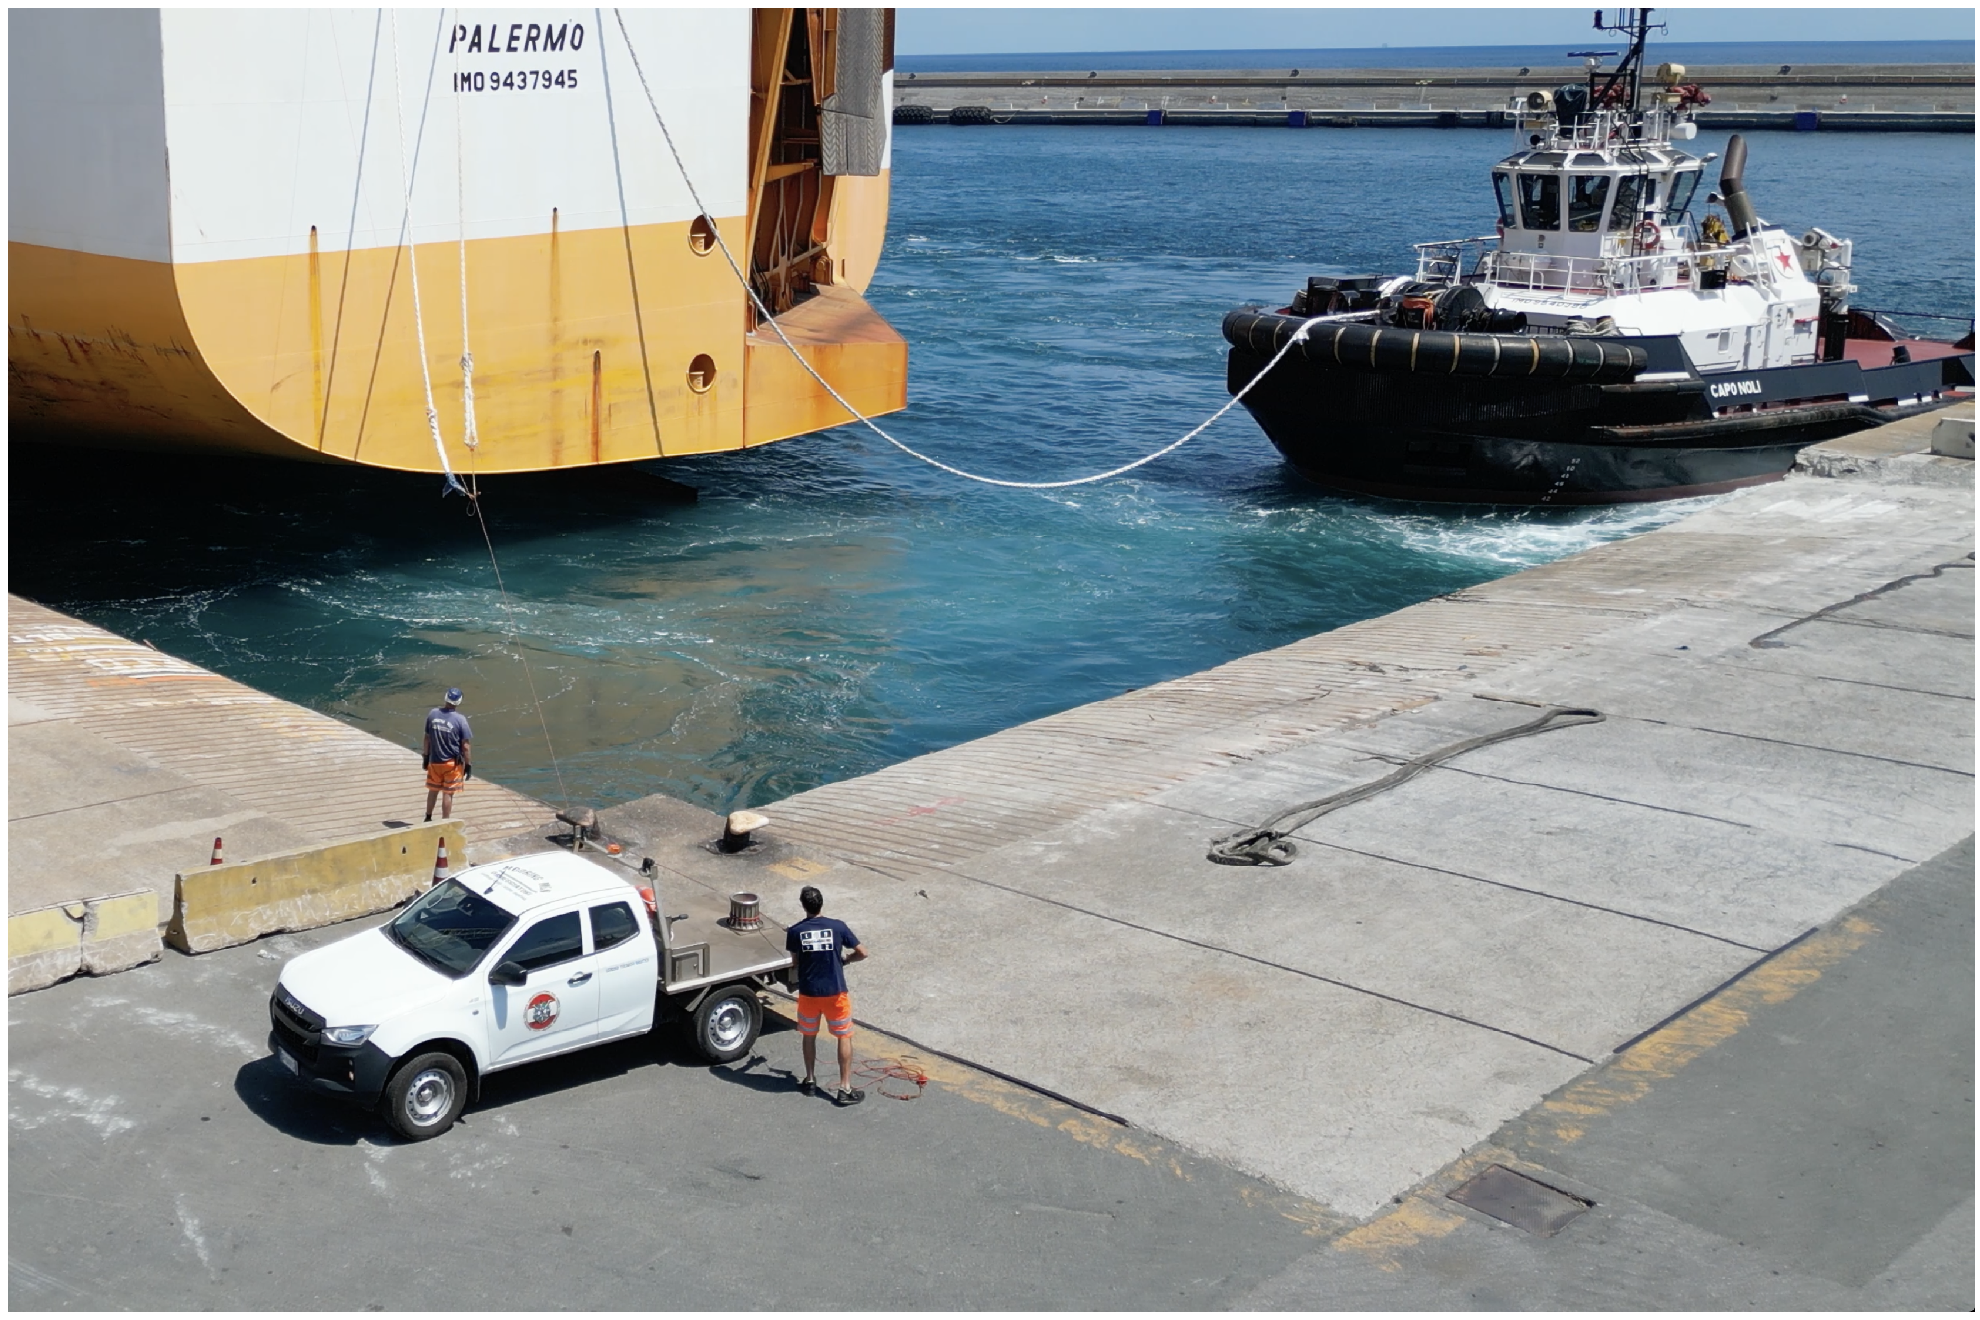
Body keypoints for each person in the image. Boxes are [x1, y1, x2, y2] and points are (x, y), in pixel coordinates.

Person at [785, 885, 868, 1106]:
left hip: (809, 993)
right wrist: (846, 960)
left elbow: (795, 963)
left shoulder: (795, 932)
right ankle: (845, 1088)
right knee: (843, 1036)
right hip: (835, 992)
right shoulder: (838, 927)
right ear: (822, 903)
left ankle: (810, 1080)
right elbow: (863, 952)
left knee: (809, 1035)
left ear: (803, 906)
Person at [422, 688, 473, 822]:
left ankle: (428, 817)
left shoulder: (432, 714)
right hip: (452, 764)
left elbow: (426, 738)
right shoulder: (460, 720)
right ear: (459, 702)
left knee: (433, 790)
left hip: (434, 761)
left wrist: (425, 757)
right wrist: (468, 765)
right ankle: (445, 821)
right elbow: (466, 746)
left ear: (445, 698)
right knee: (448, 793)